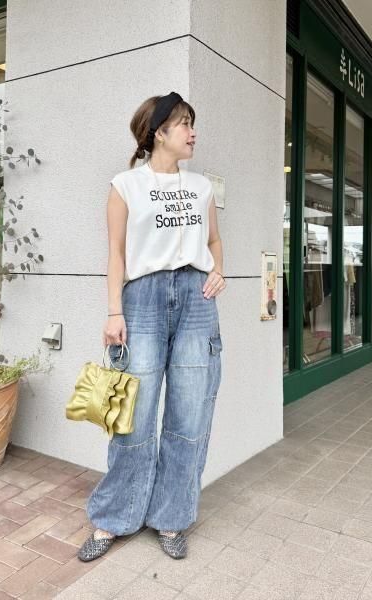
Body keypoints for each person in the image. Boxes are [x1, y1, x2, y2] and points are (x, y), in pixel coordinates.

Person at [78, 92, 225, 562]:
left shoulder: (201, 187)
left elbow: (213, 240)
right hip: (141, 300)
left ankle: (171, 516)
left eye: (192, 123)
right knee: (133, 416)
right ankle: (114, 516)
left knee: (190, 415)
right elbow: (116, 254)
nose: (192, 132)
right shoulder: (125, 185)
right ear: (159, 132)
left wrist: (219, 270)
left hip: (197, 300)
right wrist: (113, 311)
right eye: (184, 124)